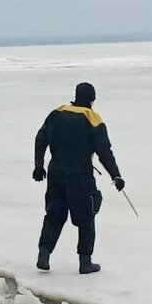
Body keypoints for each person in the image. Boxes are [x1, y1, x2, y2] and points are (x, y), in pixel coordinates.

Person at [33, 82, 124, 274]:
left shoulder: (57, 113)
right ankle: (85, 262)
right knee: (86, 217)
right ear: (92, 100)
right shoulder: (93, 119)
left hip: (56, 173)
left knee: (54, 215)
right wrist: (116, 175)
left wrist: (39, 166)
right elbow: (104, 152)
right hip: (80, 176)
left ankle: (44, 253)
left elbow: (40, 139)